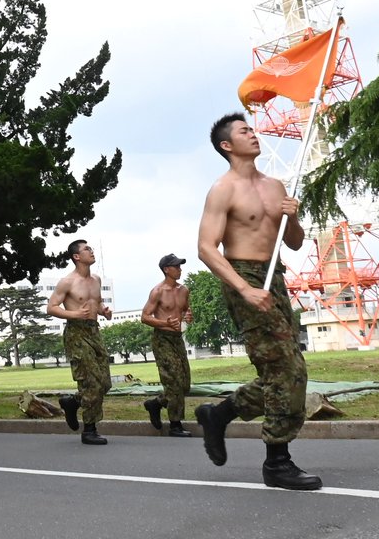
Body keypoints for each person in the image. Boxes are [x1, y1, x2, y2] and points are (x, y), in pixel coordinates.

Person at [195, 113, 320, 491]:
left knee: (282, 368)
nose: (254, 134)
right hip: (243, 278)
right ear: (226, 146)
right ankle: (277, 462)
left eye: (253, 129)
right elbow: (205, 249)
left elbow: (294, 242)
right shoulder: (223, 189)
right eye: (244, 131)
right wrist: (244, 289)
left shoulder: (275, 184)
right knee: (288, 370)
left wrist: (294, 218)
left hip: (274, 276)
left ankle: (219, 414)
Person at [47, 239, 113, 446]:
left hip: (94, 332)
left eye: (91, 248)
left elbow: (97, 301)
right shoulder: (67, 281)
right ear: (76, 256)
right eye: (87, 249)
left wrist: (103, 310)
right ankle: (90, 430)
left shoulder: (96, 279)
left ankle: (73, 402)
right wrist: (75, 314)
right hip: (76, 333)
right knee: (90, 382)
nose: (91, 251)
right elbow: (51, 307)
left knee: (105, 382)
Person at [140, 253, 194, 438]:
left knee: (184, 384)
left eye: (180, 266)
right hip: (162, 339)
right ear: (166, 269)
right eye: (176, 266)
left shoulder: (184, 290)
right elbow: (145, 317)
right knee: (174, 381)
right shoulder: (158, 291)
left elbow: (186, 309)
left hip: (178, 339)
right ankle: (175, 425)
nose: (180, 269)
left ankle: (155, 404)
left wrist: (188, 316)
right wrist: (165, 324)